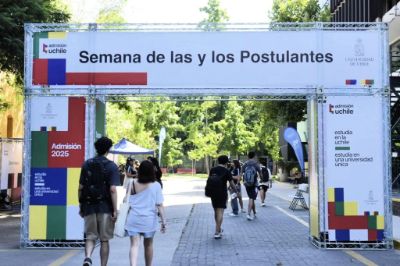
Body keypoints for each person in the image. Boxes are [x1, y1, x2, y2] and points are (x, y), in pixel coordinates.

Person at [78, 137, 120, 266]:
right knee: (104, 240)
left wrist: (81, 205)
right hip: (105, 207)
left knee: (90, 236)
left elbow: (80, 187)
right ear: (108, 149)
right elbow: (112, 189)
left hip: (89, 206)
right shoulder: (112, 166)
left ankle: (88, 257)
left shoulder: (86, 164)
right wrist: (115, 209)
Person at [125, 160, 166, 266]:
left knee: (134, 245)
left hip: (133, 219)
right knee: (148, 245)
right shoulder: (156, 185)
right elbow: (160, 205)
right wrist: (163, 222)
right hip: (149, 220)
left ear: (140, 170)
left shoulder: (132, 183)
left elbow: (126, 200)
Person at [206, 155, 237, 239]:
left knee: (216, 211)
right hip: (222, 193)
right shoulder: (226, 171)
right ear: (226, 162)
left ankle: (219, 229)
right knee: (220, 212)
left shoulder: (213, 169)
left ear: (218, 161)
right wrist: (236, 190)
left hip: (213, 193)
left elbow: (210, 180)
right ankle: (217, 231)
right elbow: (231, 183)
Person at [242, 151, 261, 221]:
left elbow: (242, 173)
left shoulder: (245, 164)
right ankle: (248, 214)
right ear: (254, 156)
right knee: (251, 198)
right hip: (254, 184)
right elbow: (260, 173)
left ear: (248, 156)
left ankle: (254, 212)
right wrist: (261, 179)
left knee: (251, 198)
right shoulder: (256, 164)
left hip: (246, 184)